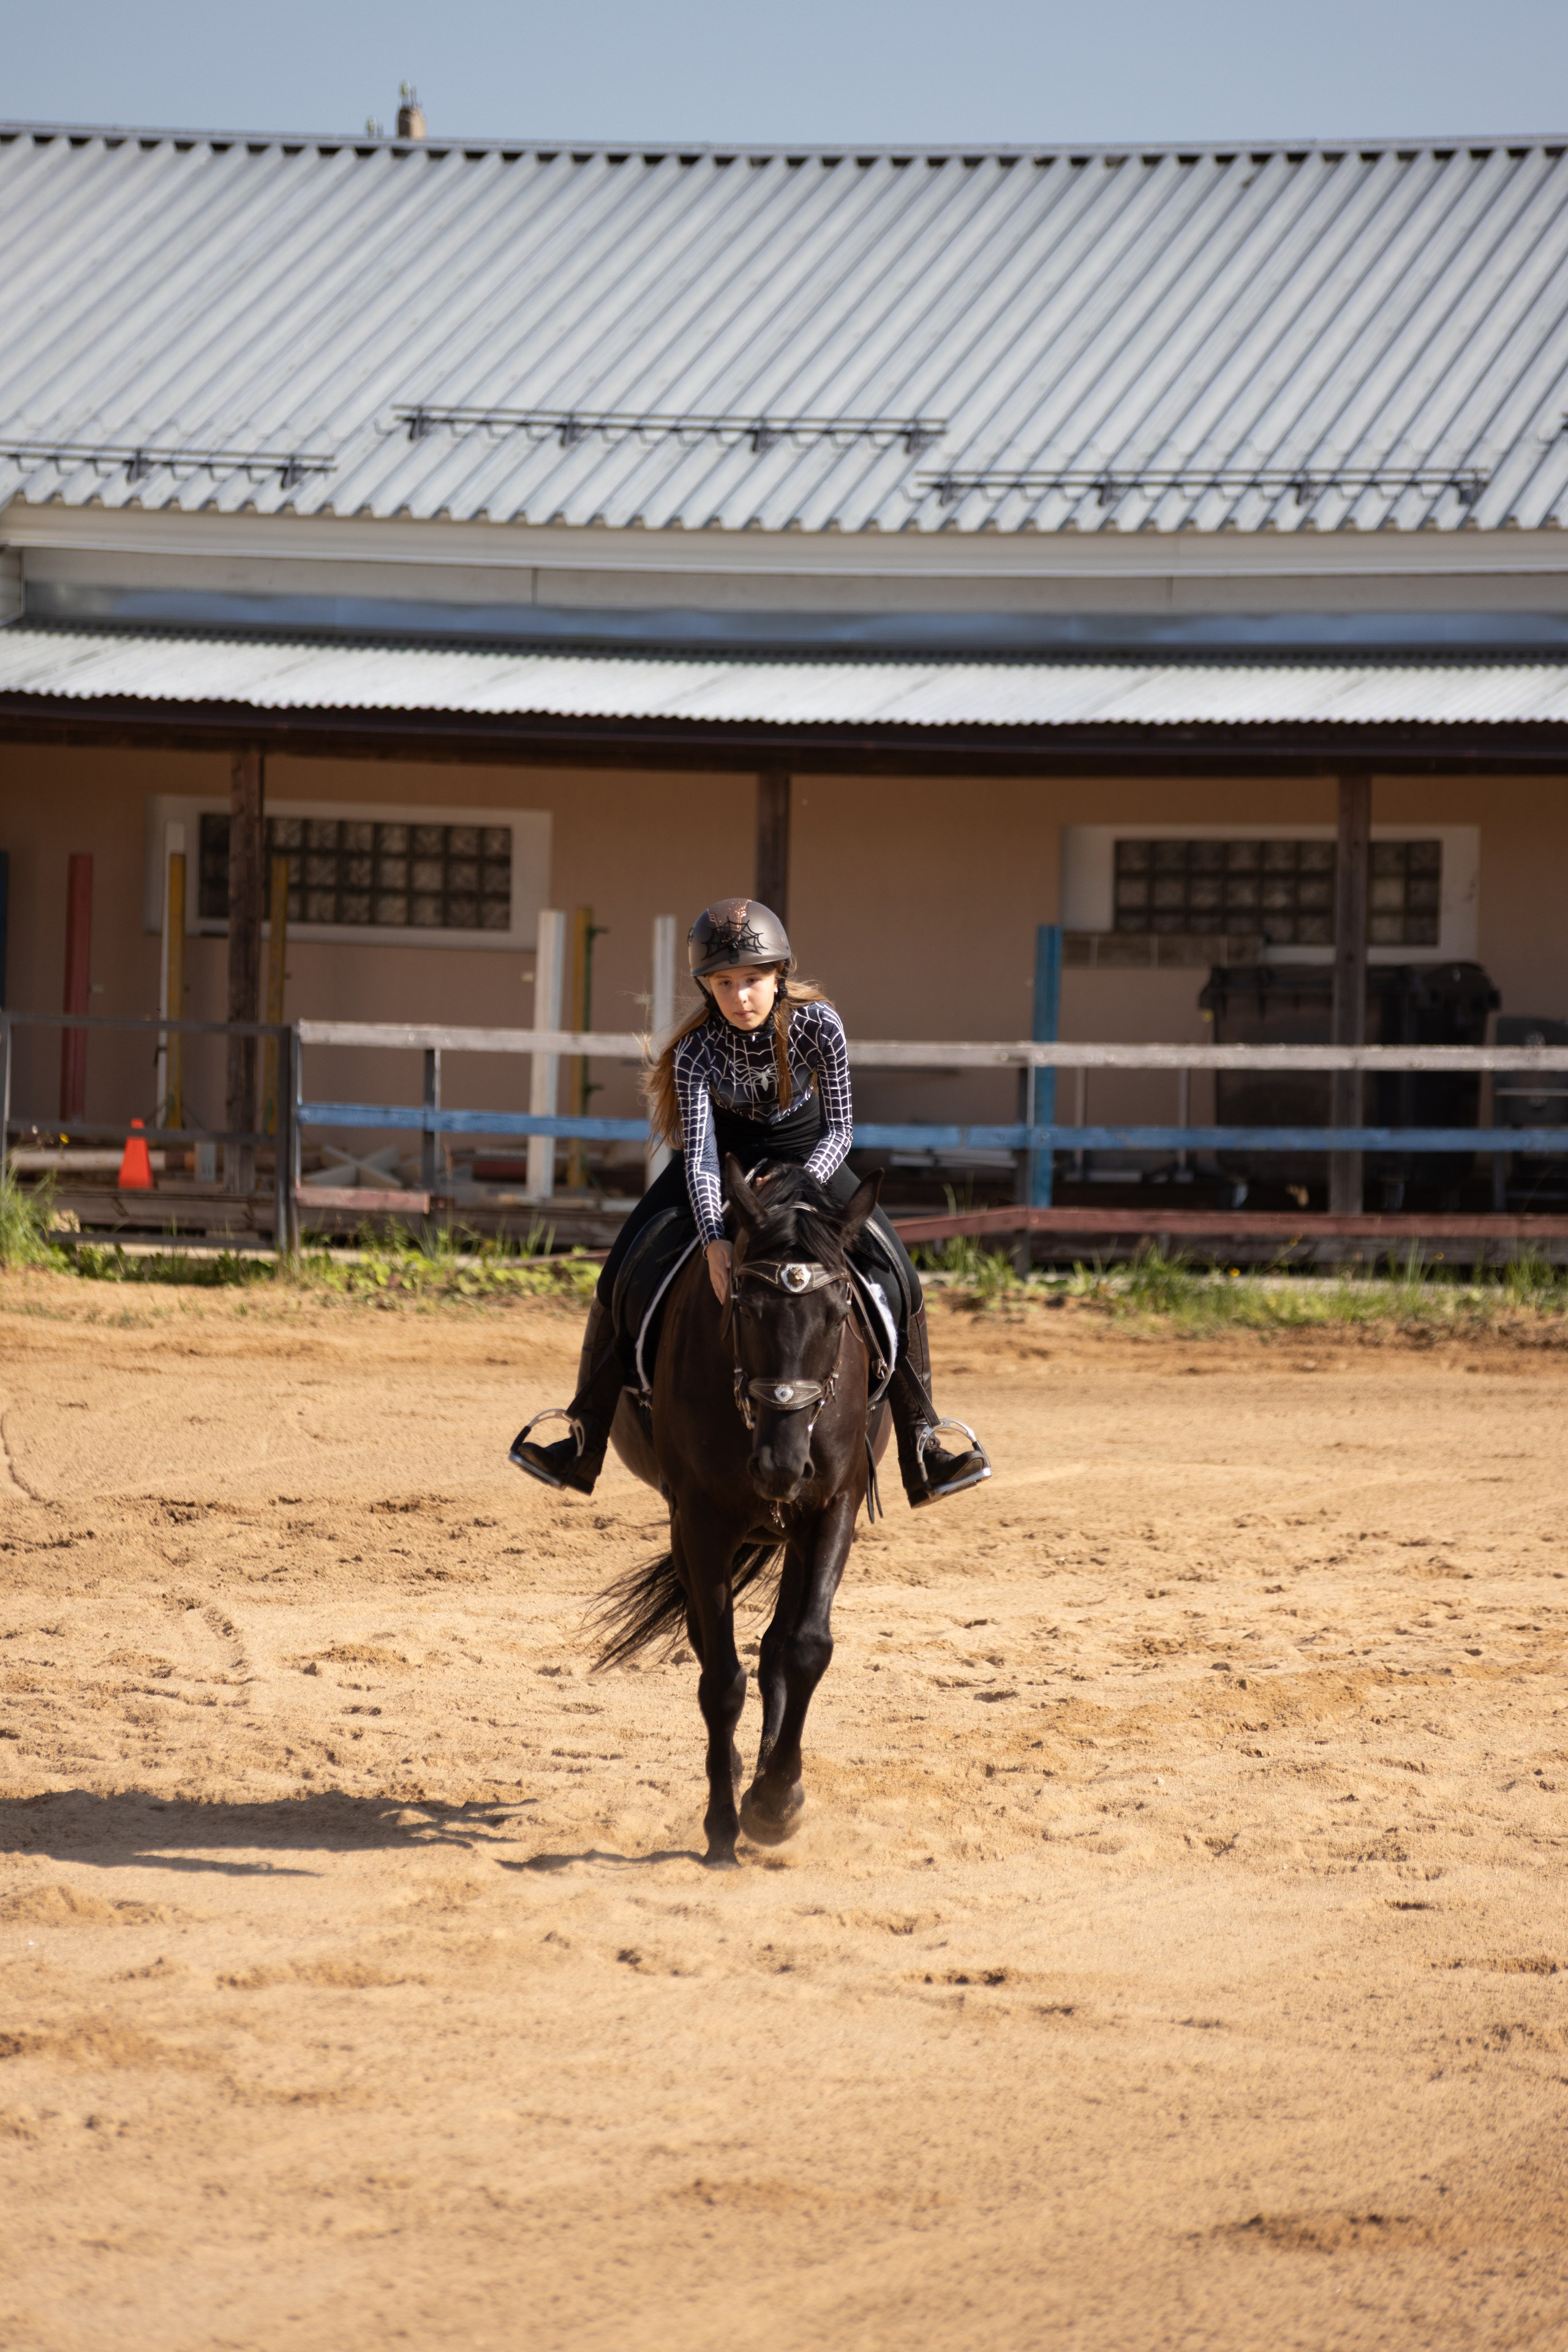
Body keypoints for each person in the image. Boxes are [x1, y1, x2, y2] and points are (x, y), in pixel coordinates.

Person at [509, 897, 990, 1508]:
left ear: (779, 976)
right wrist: (713, 1237)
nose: (741, 996)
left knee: (897, 1271)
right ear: (707, 988)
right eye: (725, 983)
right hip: (722, 1159)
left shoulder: (820, 1025)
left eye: (754, 981)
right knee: (623, 1266)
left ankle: (924, 1441)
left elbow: (841, 1130)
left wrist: (796, 1189)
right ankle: (583, 1436)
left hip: (809, 1154)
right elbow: (702, 1155)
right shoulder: (693, 1051)